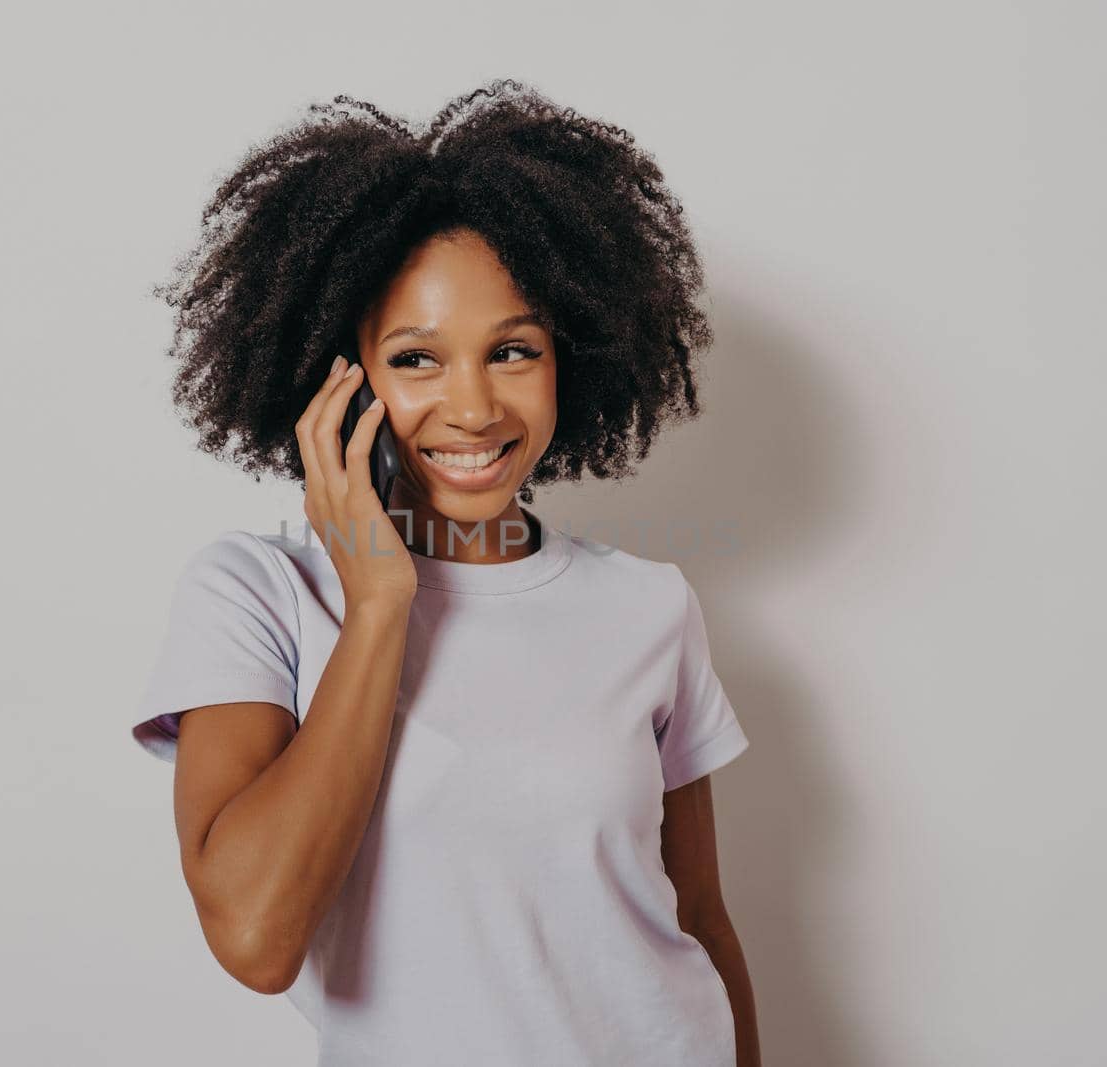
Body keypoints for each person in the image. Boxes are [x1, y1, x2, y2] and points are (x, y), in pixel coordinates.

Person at [130, 79, 759, 1067]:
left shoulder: (646, 604)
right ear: (340, 377)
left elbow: (699, 914)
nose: (472, 406)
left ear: (571, 360)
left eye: (512, 350)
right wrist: (380, 600)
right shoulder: (256, 594)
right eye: (417, 359)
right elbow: (254, 936)